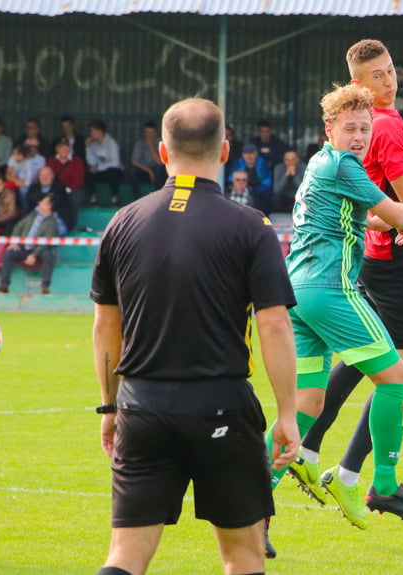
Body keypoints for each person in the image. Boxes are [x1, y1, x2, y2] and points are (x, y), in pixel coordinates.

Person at [89, 97, 298, 575]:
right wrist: (287, 414)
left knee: (124, 557)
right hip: (221, 406)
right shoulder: (253, 226)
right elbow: (273, 323)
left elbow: (106, 325)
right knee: (242, 555)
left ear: (163, 153)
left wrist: (109, 405)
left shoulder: (122, 222)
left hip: (141, 407)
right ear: (225, 152)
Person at [287, 39, 403, 534]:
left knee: (354, 369)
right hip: (371, 270)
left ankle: (296, 463)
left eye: (392, 71)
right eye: (378, 76)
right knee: (400, 374)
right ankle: (371, 481)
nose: (389, 81)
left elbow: (367, 208)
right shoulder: (383, 128)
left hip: (314, 279)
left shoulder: (335, 151)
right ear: (357, 87)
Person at [269, 82, 403, 546]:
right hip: (329, 290)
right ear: (330, 129)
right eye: (350, 127)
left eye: (365, 128)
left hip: (296, 292)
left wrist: (388, 217)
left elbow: (359, 216)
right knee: (397, 376)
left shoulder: (320, 163)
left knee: (307, 405)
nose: (358, 136)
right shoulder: (344, 164)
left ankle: (253, 504)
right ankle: (380, 482)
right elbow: (400, 212)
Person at [0, 194, 58, 295]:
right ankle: (4, 285)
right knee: (9, 253)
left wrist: (34, 255)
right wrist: (14, 241)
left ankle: (45, 285)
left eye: (43, 202)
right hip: (23, 248)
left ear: (49, 206)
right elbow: (18, 227)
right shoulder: (31, 216)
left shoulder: (52, 223)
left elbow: (47, 242)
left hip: (39, 251)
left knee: (48, 255)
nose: (39, 203)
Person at [25, 166, 76, 235]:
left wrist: (39, 198)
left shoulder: (60, 187)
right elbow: (29, 198)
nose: (44, 178)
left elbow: (55, 201)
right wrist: (48, 196)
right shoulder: (34, 187)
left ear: (53, 176)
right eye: (42, 175)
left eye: (47, 175)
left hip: (57, 221)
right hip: (36, 221)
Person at [85, 120, 123, 205]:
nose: (90, 134)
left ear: (99, 130)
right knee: (88, 173)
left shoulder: (111, 143)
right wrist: (88, 147)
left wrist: (98, 168)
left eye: (92, 131)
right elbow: (92, 162)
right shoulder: (94, 144)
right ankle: (93, 198)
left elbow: (115, 163)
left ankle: (115, 198)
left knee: (113, 172)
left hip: (115, 172)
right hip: (100, 172)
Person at [229, 143, 272, 215]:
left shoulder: (262, 164)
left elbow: (267, 183)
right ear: (243, 154)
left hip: (258, 192)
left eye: (252, 153)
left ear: (256, 154)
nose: (249, 156)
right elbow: (231, 180)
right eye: (246, 153)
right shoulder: (238, 163)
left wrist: (253, 190)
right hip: (240, 190)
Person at [46, 137, 86, 207]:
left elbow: (78, 181)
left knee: (75, 197)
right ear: (56, 149)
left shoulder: (77, 161)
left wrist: (66, 190)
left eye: (67, 146)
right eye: (61, 147)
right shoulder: (51, 161)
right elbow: (48, 178)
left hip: (72, 190)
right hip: (55, 190)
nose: (65, 149)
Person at [130, 120, 167, 189]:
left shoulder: (161, 143)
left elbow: (159, 162)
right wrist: (149, 171)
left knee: (161, 170)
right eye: (147, 132)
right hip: (144, 170)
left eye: (151, 132)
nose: (149, 135)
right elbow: (135, 161)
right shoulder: (140, 143)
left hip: (157, 170)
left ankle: (158, 195)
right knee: (133, 171)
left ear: (156, 132)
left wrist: (150, 145)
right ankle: (137, 198)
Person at [272, 149, 306, 213]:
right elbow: (276, 190)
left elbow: (304, 189)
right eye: (287, 160)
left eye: (293, 160)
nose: (290, 163)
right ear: (284, 160)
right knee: (275, 198)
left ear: (297, 159)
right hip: (284, 195)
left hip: (298, 195)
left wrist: (294, 176)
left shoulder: (303, 168)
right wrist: (286, 176)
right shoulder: (278, 168)